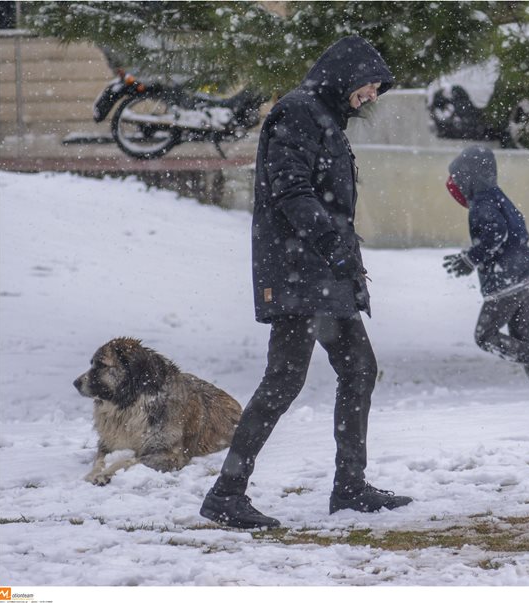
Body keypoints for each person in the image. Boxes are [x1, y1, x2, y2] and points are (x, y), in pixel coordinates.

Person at [200, 36, 411, 529]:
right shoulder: (298, 112)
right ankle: (226, 493)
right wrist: (332, 245)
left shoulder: (324, 117)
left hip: (321, 275)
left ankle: (350, 486)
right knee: (284, 378)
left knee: (359, 369)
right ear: (346, 74)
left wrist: (339, 253)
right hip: (299, 272)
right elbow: (290, 189)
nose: (373, 96)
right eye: (370, 86)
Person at [442, 145, 529, 401]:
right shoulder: (497, 196)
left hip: (507, 280)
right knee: (521, 338)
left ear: (469, 176)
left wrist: (470, 259)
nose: (454, 184)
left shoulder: (482, 203)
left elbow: (497, 233)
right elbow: (516, 230)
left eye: (457, 177)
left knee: (485, 336)